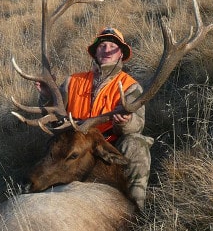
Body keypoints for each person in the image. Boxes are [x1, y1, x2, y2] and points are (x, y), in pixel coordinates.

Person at [35, 27, 154, 210]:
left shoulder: (131, 87)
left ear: (121, 53)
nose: (107, 50)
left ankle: (136, 209)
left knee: (136, 144)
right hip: (77, 147)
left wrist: (124, 122)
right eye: (102, 45)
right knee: (54, 142)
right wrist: (47, 96)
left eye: (112, 46)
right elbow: (53, 119)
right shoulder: (73, 81)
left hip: (108, 146)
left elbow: (137, 125)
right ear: (95, 51)